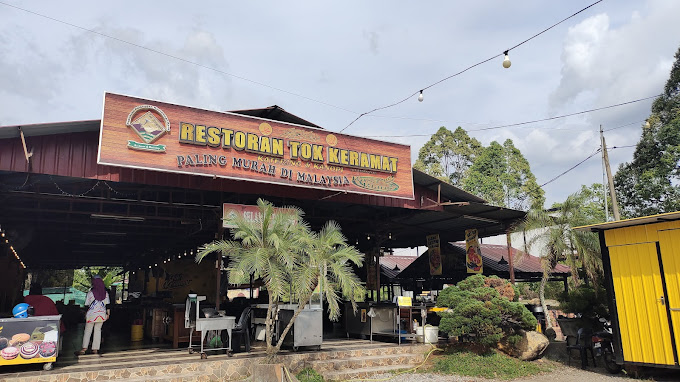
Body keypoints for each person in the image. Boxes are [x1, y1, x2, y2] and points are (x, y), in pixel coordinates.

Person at [77, 275, 110, 355]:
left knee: (88, 331)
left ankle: (84, 348)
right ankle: (95, 349)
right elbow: (108, 305)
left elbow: (86, 305)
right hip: (101, 315)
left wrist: (85, 314)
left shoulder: (90, 293)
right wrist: (108, 314)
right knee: (98, 331)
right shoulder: (105, 293)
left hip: (91, 315)